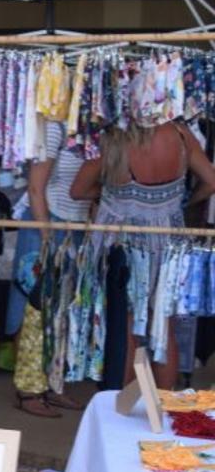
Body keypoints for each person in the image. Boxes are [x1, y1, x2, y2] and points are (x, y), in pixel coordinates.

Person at [71, 121, 215, 389]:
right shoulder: (181, 135)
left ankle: (120, 408)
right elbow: (211, 182)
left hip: (122, 243)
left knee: (125, 328)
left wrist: (112, 196)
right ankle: (163, 407)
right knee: (163, 327)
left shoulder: (113, 139)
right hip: (169, 242)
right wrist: (183, 202)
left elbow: (78, 190)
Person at [7, 120, 90, 417]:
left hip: (73, 229)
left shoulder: (90, 127)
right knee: (35, 311)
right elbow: (35, 187)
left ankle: (53, 385)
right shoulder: (54, 126)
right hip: (47, 225)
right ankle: (28, 390)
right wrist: (46, 238)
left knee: (63, 312)